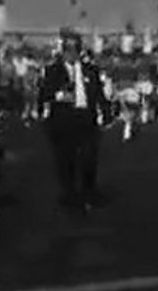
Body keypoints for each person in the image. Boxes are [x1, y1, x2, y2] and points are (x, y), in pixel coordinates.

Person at [40, 30, 111, 214]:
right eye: (68, 49)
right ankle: (69, 194)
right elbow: (45, 94)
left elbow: (98, 94)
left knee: (89, 158)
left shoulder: (90, 70)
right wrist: (61, 95)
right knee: (66, 160)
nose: (72, 53)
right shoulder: (53, 70)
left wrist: (106, 112)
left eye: (75, 49)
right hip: (64, 121)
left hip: (86, 120)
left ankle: (90, 191)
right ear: (63, 51)